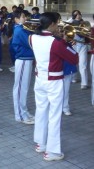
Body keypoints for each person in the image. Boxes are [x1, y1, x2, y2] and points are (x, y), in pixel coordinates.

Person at [29, 12, 78, 161]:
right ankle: (52, 152)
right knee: (54, 115)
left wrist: (62, 41)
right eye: (57, 23)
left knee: (41, 111)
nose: (59, 26)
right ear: (51, 24)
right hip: (54, 81)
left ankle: (41, 143)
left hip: (39, 79)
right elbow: (74, 58)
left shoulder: (31, 37)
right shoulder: (56, 42)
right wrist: (67, 43)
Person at [11, 9, 35, 124]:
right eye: (23, 17)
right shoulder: (19, 30)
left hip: (26, 60)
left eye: (25, 16)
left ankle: (24, 111)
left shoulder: (22, 29)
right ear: (16, 19)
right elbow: (31, 43)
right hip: (23, 60)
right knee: (21, 88)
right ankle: (20, 115)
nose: (25, 19)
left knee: (23, 88)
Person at [68, 10, 89, 89]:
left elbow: (87, 32)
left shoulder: (85, 23)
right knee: (73, 62)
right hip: (74, 44)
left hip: (83, 44)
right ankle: (73, 77)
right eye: (76, 14)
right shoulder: (70, 22)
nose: (78, 15)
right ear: (73, 15)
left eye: (79, 14)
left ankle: (84, 83)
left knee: (83, 64)